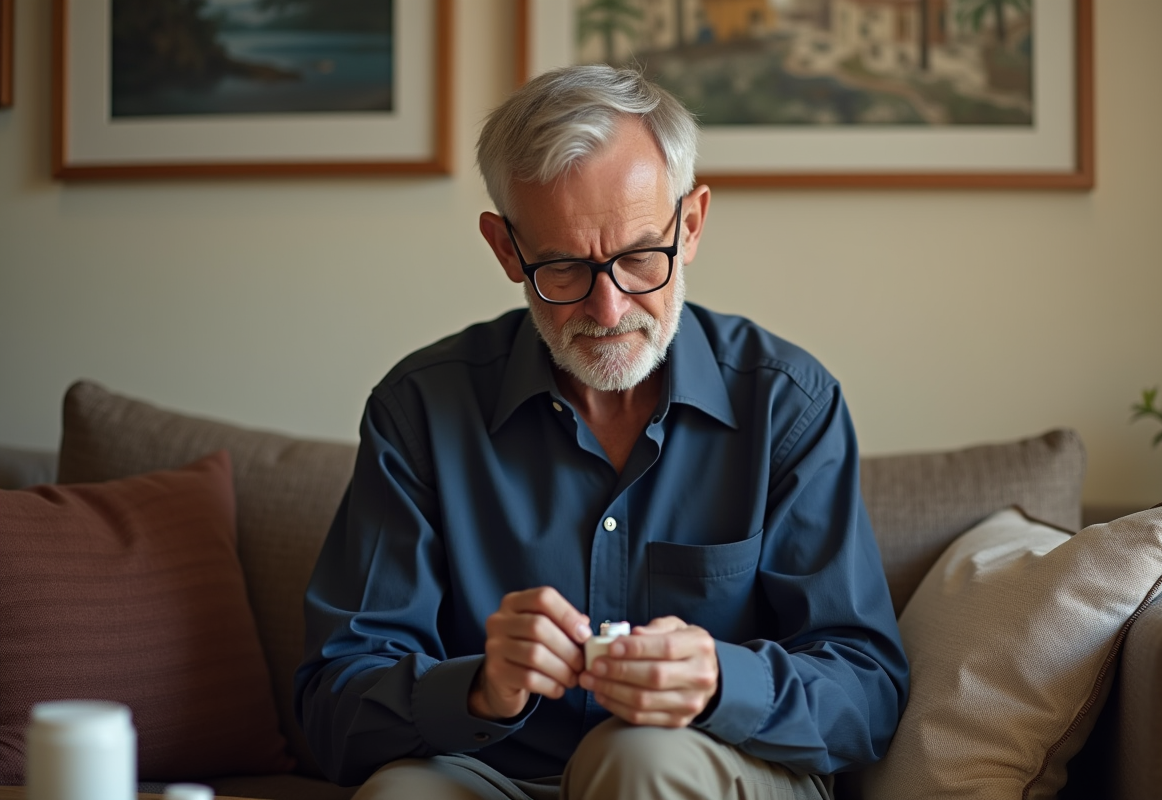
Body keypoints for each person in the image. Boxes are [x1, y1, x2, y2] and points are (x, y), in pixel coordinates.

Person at [295, 65, 908, 800]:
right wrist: (478, 689)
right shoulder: (420, 409)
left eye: (641, 258)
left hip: (705, 767)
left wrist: (722, 681)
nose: (611, 311)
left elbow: (866, 692)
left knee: (638, 759)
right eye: (562, 269)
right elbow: (333, 702)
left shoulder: (788, 406)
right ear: (505, 249)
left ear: (691, 225)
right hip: (491, 775)